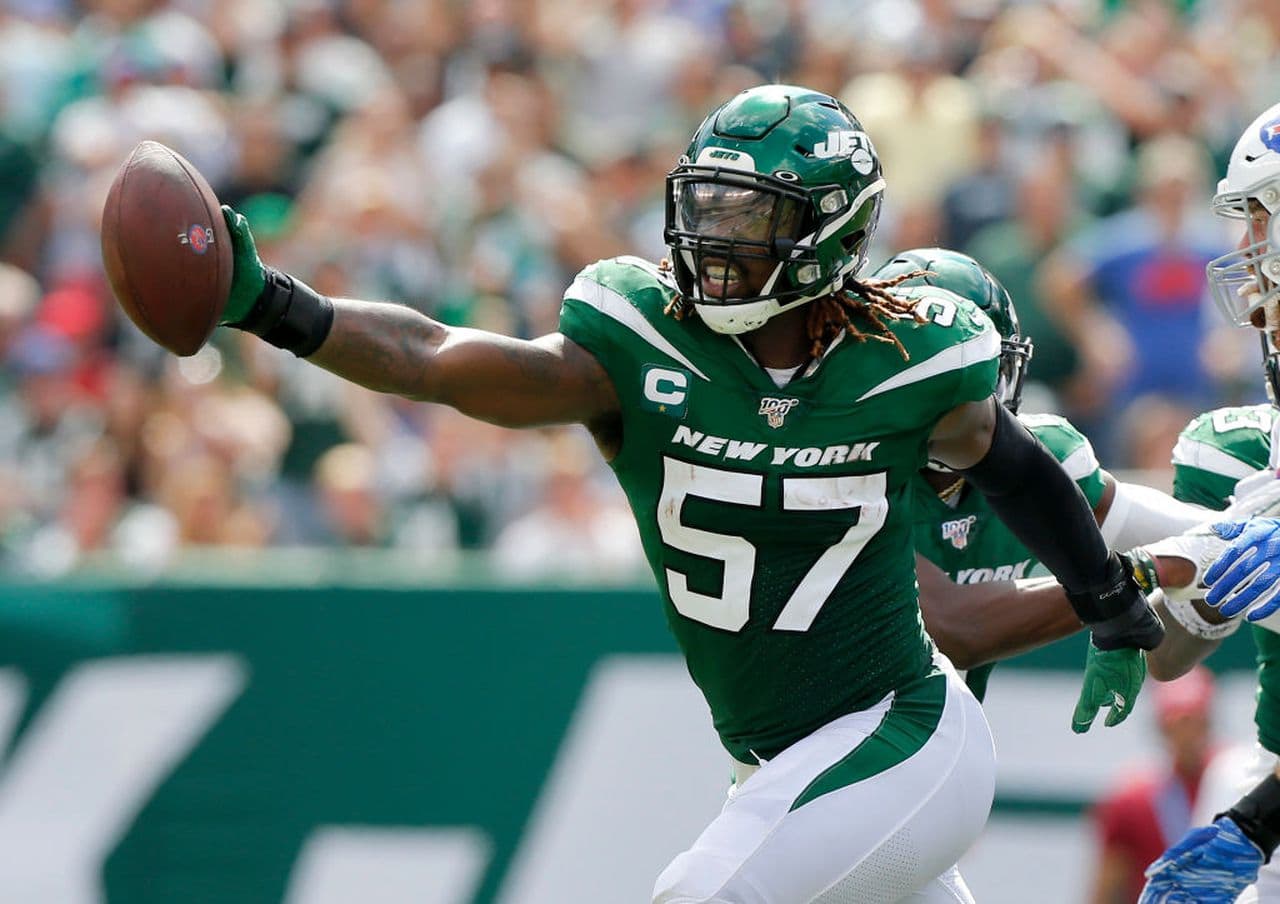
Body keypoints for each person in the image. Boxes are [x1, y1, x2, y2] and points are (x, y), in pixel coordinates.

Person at [197, 85, 1167, 903]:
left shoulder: (904, 358)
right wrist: (278, 307)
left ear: (832, 230)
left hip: (903, 732)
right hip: (782, 765)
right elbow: (437, 356)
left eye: (751, 216)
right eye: (707, 205)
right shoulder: (638, 341)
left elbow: (1013, 466)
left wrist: (1107, 598)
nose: (716, 238)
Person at [879, 248, 1209, 704]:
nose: (962, 398)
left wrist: (1242, 536)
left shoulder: (1042, 454)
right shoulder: (847, 465)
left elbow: (1190, 537)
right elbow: (955, 629)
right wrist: (1141, 573)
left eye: (980, 371)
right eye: (938, 378)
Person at [1136, 100, 1280, 904]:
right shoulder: (1235, 452)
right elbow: (1168, 655)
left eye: (1265, 216)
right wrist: (1206, 575)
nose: (1249, 247)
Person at [1090, 667, 1219, 904]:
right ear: (1162, 727)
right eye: (1177, 723)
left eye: (1195, 721)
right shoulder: (1130, 801)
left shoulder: (1236, 783)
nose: (1187, 734)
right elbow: (1106, 889)